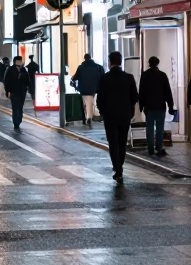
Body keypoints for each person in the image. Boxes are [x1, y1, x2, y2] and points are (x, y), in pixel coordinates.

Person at [96, 51, 138, 182]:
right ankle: (120, 164)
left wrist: (102, 110)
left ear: (109, 62)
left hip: (110, 116)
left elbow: (100, 98)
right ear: (120, 62)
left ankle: (118, 168)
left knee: (113, 143)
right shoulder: (129, 78)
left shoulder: (105, 78)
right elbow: (135, 97)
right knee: (122, 141)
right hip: (125, 115)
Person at [139, 56, 175, 156]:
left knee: (149, 128)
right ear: (157, 63)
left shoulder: (145, 75)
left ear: (149, 63)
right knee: (160, 128)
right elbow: (167, 92)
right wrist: (170, 105)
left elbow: (141, 91)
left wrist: (141, 105)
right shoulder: (162, 75)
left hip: (149, 107)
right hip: (160, 106)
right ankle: (159, 147)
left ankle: (150, 149)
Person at [73, 53, 104, 127]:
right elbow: (103, 77)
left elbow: (75, 77)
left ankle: (88, 117)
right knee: (90, 102)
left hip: (84, 88)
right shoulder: (98, 67)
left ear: (84, 58)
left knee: (87, 102)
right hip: (95, 88)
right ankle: (89, 116)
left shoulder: (81, 67)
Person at [4, 56, 31, 130]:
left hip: (22, 92)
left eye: (21, 61)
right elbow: (7, 81)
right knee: (15, 107)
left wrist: (22, 76)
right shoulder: (11, 69)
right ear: (15, 61)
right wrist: (8, 91)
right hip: (14, 92)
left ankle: (19, 120)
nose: (20, 62)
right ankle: (16, 122)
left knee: (20, 107)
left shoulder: (23, 70)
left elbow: (28, 81)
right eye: (19, 61)